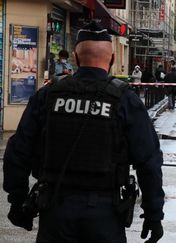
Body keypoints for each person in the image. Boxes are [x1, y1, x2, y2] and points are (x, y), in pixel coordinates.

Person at [2, 21, 164, 243]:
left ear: (76, 59)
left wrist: (17, 199)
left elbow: (18, 150)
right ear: (113, 60)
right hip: (105, 213)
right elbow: (149, 161)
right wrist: (154, 214)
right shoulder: (126, 99)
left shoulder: (48, 95)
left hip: (55, 209)